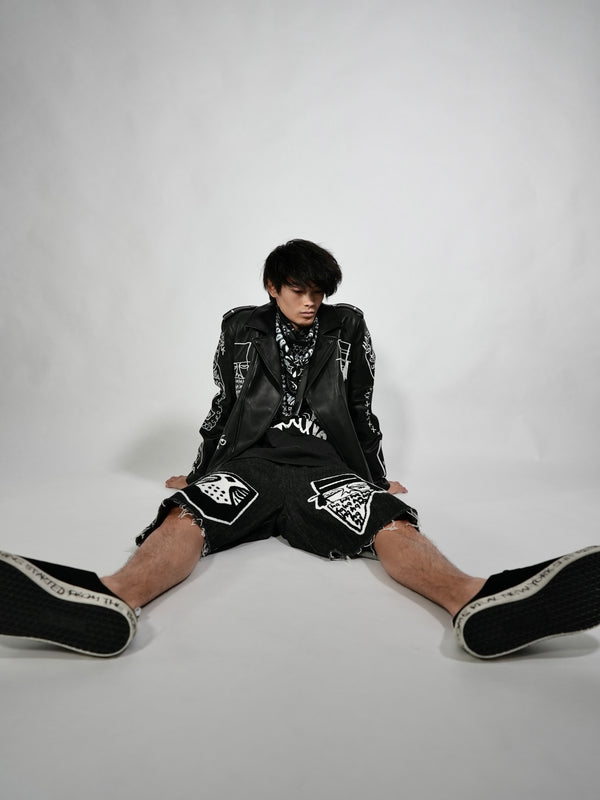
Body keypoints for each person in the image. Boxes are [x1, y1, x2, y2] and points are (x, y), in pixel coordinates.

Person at [1, 239, 599, 659]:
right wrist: (199, 471)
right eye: (298, 290)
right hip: (250, 463)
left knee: (388, 523)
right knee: (189, 516)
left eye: (319, 292)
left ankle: (472, 600)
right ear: (272, 287)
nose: (311, 302)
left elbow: (359, 405)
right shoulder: (240, 326)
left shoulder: (347, 325)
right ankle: (113, 597)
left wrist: (375, 478)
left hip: (324, 468)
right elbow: (225, 401)